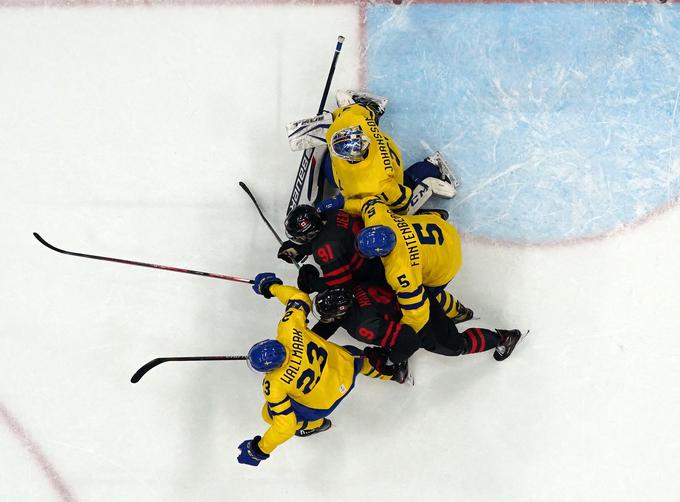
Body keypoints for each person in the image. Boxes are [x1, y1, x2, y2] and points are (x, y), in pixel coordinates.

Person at [236, 273, 406, 467]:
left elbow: (285, 426)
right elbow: (300, 298)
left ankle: (316, 425)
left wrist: (259, 449)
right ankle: (393, 373)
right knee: (354, 355)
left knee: (269, 414)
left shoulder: (274, 384)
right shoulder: (289, 329)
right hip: (346, 367)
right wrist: (271, 287)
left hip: (324, 404)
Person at [316, 91, 457, 216]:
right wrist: (369, 109)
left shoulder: (375, 185)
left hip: (373, 178)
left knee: (404, 187)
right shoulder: (356, 123)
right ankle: (375, 107)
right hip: (383, 147)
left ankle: (432, 167)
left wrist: (343, 204)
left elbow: (403, 204)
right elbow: (360, 112)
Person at [313, 282, 522, 365]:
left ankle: (504, 338)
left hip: (421, 321)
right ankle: (457, 312)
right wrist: (310, 338)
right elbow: (334, 320)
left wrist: (393, 359)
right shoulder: (349, 288)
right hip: (413, 296)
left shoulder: (362, 326)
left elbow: (409, 341)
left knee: (456, 346)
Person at [350, 197, 472, 335]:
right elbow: (366, 202)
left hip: (449, 263)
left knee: (429, 295)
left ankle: (457, 311)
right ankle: (435, 215)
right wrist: (337, 205)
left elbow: (417, 312)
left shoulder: (400, 270)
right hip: (442, 228)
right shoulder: (379, 216)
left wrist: (400, 336)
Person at [277, 204, 383, 293]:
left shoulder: (325, 247)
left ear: (311, 233)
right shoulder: (332, 214)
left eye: (299, 237)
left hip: (370, 276)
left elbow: (341, 284)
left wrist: (312, 284)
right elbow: (333, 238)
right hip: (376, 255)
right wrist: (299, 249)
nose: (298, 240)